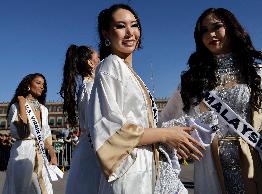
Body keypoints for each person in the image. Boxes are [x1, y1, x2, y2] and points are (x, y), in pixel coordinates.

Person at [159, 8, 262, 194]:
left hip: (255, 162)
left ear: (232, 29)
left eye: (217, 27)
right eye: (204, 30)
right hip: (210, 167)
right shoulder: (192, 81)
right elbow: (165, 123)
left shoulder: (260, 74)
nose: (211, 34)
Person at [86, 4, 205, 194]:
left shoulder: (129, 72)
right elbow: (111, 131)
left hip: (146, 167)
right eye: (120, 26)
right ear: (106, 33)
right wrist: (166, 134)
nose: (129, 32)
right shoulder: (110, 67)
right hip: (130, 172)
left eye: (134, 25)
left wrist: (173, 134)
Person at [3, 73, 57, 194]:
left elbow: (46, 134)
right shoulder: (15, 107)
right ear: (28, 85)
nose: (42, 87)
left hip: (40, 155)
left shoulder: (44, 109)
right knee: (21, 189)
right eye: (38, 83)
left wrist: (52, 154)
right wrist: (22, 104)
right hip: (23, 152)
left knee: (45, 189)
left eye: (43, 85)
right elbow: (22, 133)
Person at [59, 44, 101, 194]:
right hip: (95, 152)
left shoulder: (86, 87)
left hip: (88, 149)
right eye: (98, 57)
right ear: (91, 63)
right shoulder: (90, 88)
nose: (100, 60)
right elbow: (96, 125)